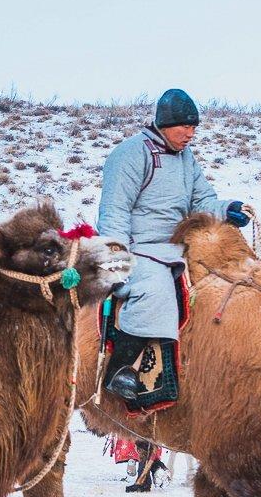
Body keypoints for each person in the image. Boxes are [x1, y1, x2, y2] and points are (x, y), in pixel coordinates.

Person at [94, 89, 249, 414]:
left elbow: (202, 201)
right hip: (139, 249)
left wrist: (227, 209)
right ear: (165, 124)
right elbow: (114, 212)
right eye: (184, 127)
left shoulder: (185, 159)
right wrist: (117, 263)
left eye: (194, 128)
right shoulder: (130, 155)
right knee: (155, 290)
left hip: (177, 247)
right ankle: (120, 370)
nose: (190, 134)